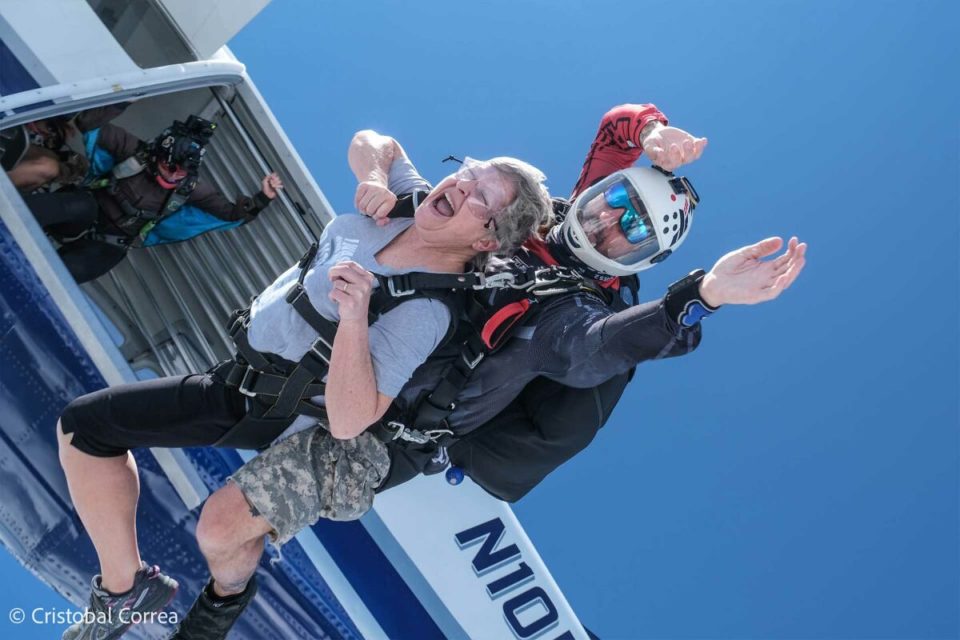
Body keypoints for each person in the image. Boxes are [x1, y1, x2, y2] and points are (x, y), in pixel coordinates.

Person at [179, 108, 805, 638]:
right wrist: (652, 134)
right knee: (195, 401)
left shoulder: (581, 305)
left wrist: (701, 296)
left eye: (633, 231)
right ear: (595, 188)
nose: (607, 223)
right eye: (615, 201)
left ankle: (221, 600)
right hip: (358, 356)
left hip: (385, 433)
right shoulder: (530, 219)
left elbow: (599, 348)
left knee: (222, 525)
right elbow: (613, 130)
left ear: (643, 259)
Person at [56, 149, 551, 640]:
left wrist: (356, 318)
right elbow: (373, 141)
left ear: (488, 238)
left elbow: (350, 420)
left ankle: (218, 601)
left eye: (479, 195)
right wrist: (376, 177)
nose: (461, 187)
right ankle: (124, 590)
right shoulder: (409, 202)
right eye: (466, 174)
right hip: (235, 374)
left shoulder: (428, 309)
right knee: (84, 430)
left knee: (199, 514)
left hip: (271, 406)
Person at [22, 107, 283, 283]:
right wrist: (125, 98)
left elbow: (230, 214)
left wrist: (262, 198)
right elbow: (91, 124)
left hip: (114, 240)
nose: (173, 175)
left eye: (181, 171)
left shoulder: (192, 188)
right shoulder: (135, 149)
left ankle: (28, 281)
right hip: (87, 209)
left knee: (69, 273)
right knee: (75, 205)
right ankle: (11, 222)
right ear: (157, 154)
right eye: (169, 166)